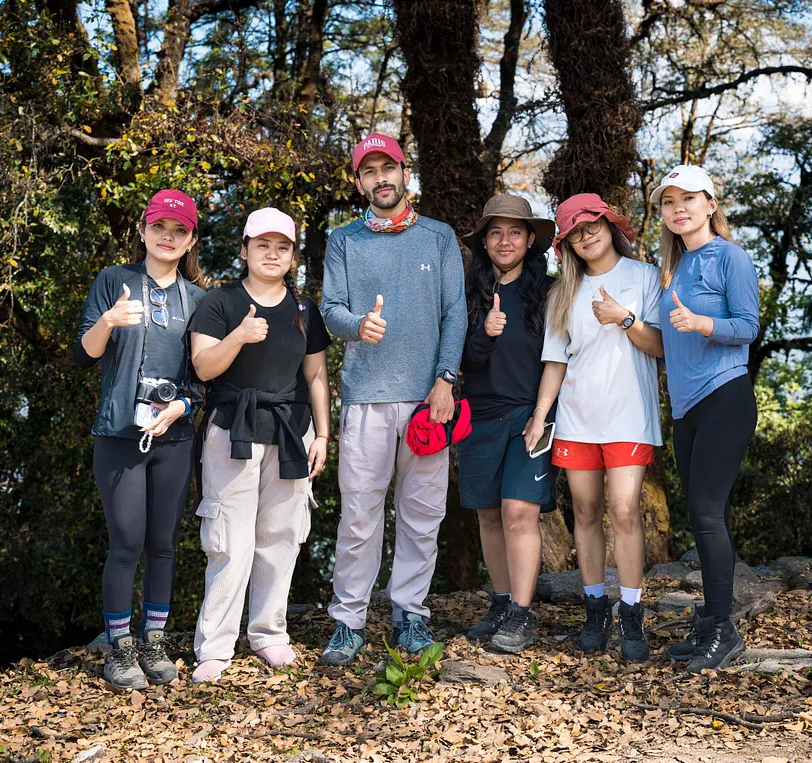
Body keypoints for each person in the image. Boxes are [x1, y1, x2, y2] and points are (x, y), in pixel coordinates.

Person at [319, 133, 467, 665]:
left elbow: (456, 312)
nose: (381, 178)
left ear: (405, 174)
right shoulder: (344, 241)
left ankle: (410, 615)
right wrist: (359, 325)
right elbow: (329, 310)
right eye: (369, 171)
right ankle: (348, 621)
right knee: (359, 516)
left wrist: (446, 380)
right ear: (358, 183)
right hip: (365, 399)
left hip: (430, 401)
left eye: (389, 168)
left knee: (422, 515)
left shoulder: (439, 237)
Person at [186, 208, 330, 683]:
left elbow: (315, 376)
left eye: (282, 246)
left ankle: (269, 634)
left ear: (292, 255)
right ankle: (215, 645)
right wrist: (240, 336)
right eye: (262, 245)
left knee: (282, 536)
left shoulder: (304, 310)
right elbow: (204, 367)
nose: (272, 253)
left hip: (292, 430)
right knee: (229, 539)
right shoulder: (219, 303)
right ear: (244, 249)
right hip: (232, 428)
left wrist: (325, 435)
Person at [523, 193, 665, 663]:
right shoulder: (563, 293)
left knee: (624, 511)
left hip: (629, 416)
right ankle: (594, 607)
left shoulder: (644, 277)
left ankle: (631, 612)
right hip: (577, 419)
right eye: (576, 232)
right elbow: (555, 364)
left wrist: (623, 318)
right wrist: (541, 415)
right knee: (584, 512)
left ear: (610, 224)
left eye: (593, 225)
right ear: (566, 245)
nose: (587, 236)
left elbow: (662, 347)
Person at [74, 189, 207, 691]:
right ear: (143, 230)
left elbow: (204, 374)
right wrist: (108, 321)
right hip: (118, 432)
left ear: (191, 238)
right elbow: (84, 353)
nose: (168, 237)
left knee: (163, 543)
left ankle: (154, 641)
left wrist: (183, 406)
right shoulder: (114, 281)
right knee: (126, 541)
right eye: (159, 227)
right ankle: (119, 645)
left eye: (179, 230)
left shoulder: (198, 298)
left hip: (173, 434)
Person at [650, 165, 759, 673]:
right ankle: (712, 625)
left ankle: (723, 630)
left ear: (710, 204)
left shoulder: (730, 257)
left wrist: (702, 323)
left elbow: (749, 326)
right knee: (699, 514)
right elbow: (662, 341)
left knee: (708, 512)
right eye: (669, 201)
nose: (678, 208)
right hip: (686, 408)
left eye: (688, 198)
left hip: (725, 397)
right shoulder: (672, 267)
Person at [458, 194, 557, 654]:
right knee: (489, 514)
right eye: (495, 232)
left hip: (530, 416)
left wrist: (541, 414)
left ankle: (520, 613)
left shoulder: (551, 292)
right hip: (478, 417)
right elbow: (460, 361)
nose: (504, 240)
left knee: (519, 512)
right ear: (484, 241)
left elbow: (559, 360)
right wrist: (485, 332)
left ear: (530, 239)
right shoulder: (468, 294)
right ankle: (499, 603)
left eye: (514, 231)